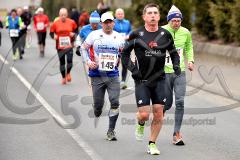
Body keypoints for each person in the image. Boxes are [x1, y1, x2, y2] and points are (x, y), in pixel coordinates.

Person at [121, 3, 180, 155]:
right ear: (144, 17)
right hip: (142, 80)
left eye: (155, 13)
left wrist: (176, 65)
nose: (153, 15)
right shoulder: (136, 34)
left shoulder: (165, 34)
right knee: (144, 114)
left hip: (160, 79)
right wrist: (133, 70)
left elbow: (173, 52)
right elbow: (125, 54)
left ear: (159, 16)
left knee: (159, 112)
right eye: (150, 13)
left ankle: (152, 143)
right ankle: (140, 122)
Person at [81, 12, 124, 141]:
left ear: (114, 23)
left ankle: (111, 131)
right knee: (98, 107)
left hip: (112, 75)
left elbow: (122, 52)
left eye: (110, 22)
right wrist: (88, 62)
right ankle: (97, 108)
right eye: (105, 22)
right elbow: (83, 48)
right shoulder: (93, 35)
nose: (108, 24)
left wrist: (119, 60)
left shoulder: (119, 37)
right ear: (101, 23)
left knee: (115, 102)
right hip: (97, 75)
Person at [162, 5, 194, 145]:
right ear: (169, 20)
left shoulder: (186, 32)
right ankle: (159, 112)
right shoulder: (161, 31)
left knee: (180, 102)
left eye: (178, 20)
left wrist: (191, 60)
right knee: (167, 104)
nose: (176, 23)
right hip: (164, 73)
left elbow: (189, 47)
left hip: (179, 72)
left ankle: (176, 134)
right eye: (173, 20)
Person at [50, 8, 77, 84]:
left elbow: (76, 30)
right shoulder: (55, 23)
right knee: (62, 62)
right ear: (59, 15)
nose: (63, 16)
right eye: (62, 15)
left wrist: (73, 34)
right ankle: (63, 77)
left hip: (69, 45)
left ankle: (68, 73)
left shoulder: (72, 22)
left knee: (69, 61)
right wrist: (53, 36)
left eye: (64, 15)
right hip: (60, 46)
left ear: (67, 15)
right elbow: (51, 33)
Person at [113, 8, 132, 89]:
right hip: (115, 45)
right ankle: (114, 80)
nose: (120, 15)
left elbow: (130, 31)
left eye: (121, 14)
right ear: (115, 15)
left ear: (124, 15)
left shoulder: (127, 22)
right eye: (118, 14)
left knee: (125, 64)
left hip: (125, 45)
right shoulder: (113, 22)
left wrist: (128, 35)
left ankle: (123, 81)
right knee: (115, 63)